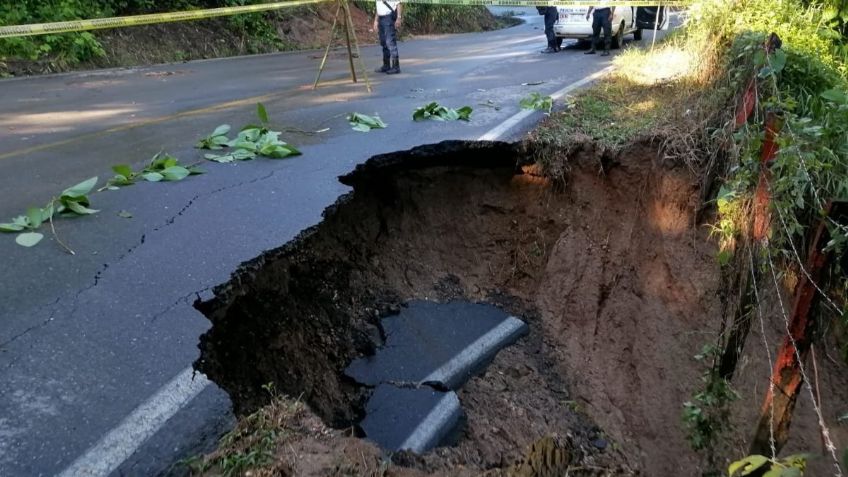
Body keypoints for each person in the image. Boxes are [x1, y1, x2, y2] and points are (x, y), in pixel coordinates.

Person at [373, 0, 402, 74]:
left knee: (390, 42)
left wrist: (398, 18)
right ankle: (386, 65)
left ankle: (396, 67)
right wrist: (376, 20)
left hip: (388, 17)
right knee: (383, 42)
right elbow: (378, 7)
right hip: (381, 18)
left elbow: (398, 3)